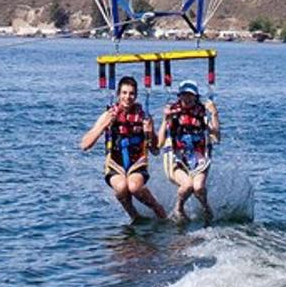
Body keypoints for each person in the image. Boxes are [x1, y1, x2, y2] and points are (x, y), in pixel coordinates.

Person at [81, 75, 168, 221]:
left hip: (138, 161)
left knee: (133, 187)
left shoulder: (144, 117)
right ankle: (134, 215)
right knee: (122, 187)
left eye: (131, 93)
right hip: (115, 163)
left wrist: (149, 131)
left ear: (136, 96)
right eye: (124, 93)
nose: (128, 97)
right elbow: (85, 145)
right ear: (118, 94)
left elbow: (155, 150)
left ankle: (157, 208)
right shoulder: (109, 115)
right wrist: (104, 125)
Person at [158, 80, 220, 222]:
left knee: (198, 187)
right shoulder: (173, 113)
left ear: (196, 97)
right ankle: (178, 208)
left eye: (190, 95)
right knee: (187, 185)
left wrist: (214, 114)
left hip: (198, 156)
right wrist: (164, 119)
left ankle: (205, 207)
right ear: (179, 96)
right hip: (176, 158)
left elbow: (216, 137)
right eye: (184, 95)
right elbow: (160, 143)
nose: (187, 99)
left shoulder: (202, 114)